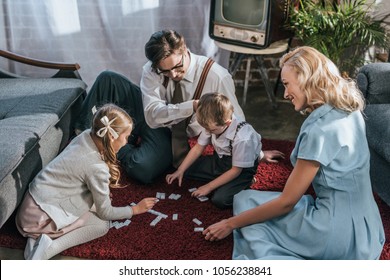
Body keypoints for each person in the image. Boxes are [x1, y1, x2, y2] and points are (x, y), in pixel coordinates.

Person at [202, 46, 385, 259]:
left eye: (287, 84)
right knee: (249, 200)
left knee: (249, 215)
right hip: (367, 227)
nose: (286, 94)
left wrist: (229, 223)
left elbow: (287, 202)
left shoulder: (319, 130)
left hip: (333, 233)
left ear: (307, 78)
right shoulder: (349, 109)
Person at [74, 29, 282, 184]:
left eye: (177, 67)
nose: (173, 75)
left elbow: (237, 120)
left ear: (184, 50)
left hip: (169, 134)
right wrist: (190, 106)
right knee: (108, 78)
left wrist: (259, 153)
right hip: (152, 117)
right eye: (165, 71)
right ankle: (82, 137)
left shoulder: (216, 76)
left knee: (144, 170)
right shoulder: (152, 70)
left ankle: (112, 145)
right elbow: (153, 116)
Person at [15, 104, 158, 260]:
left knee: (93, 205)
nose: (126, 142)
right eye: (126, 137)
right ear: (111, 136)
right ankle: (45, 251)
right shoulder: (97, 167)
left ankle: (37, 239)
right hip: (40, 218)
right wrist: (135, 210)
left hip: (29, 208)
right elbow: (106, 212)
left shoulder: (85, 136)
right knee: (100, 225)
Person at [166, 92, 267, 209]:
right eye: (205, 128)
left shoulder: (243, 138)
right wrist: (180, 170)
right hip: (219, 162)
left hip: (240, 171)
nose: (207, 131)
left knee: (220, 199)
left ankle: (246, 182)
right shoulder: (211, 123)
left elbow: (235, 171)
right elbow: (198, 148)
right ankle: (221, 180)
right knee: (186, 170)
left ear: (227, 123)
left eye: (211, 129)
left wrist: (208, 187)